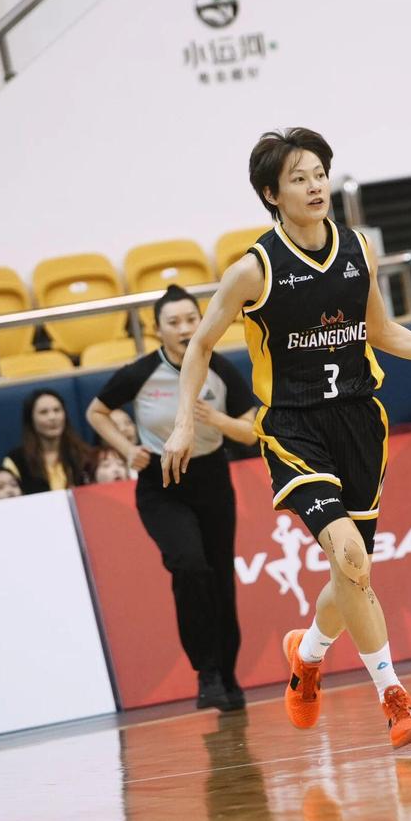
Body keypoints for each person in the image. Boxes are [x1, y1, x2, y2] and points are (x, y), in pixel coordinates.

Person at [162, 127, 411, 749]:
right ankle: (394, 699)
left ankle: (308, 654)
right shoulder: (253, 270)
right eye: (299, 178)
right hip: (293, 427)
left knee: (354, 572)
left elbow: (383, 333)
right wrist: (185, 420)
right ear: (272, 194)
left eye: (320, 173)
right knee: (348, 555)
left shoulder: (356, 249)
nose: (315, 185)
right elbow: (201, 345)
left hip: (359, 422)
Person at [86, 284, 257, 712]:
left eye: (191, 319)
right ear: (157, 330)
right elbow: (96, 411)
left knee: (220, 580)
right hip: (162, 484)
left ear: (204, 321)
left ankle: (227, 677)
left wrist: (216, 418)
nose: (185, 329)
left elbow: (251, 432)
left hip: (212, 479)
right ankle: (207, 671)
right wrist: (127, 450)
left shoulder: (221, 369)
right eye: (174, 322)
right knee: (189, 564)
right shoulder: (141, 373)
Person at [3, 389, 92, 493]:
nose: (52, 417)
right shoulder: (16, 461)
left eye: (57, 410)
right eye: (43, 412)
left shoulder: (84, 454)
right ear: (31, 419)